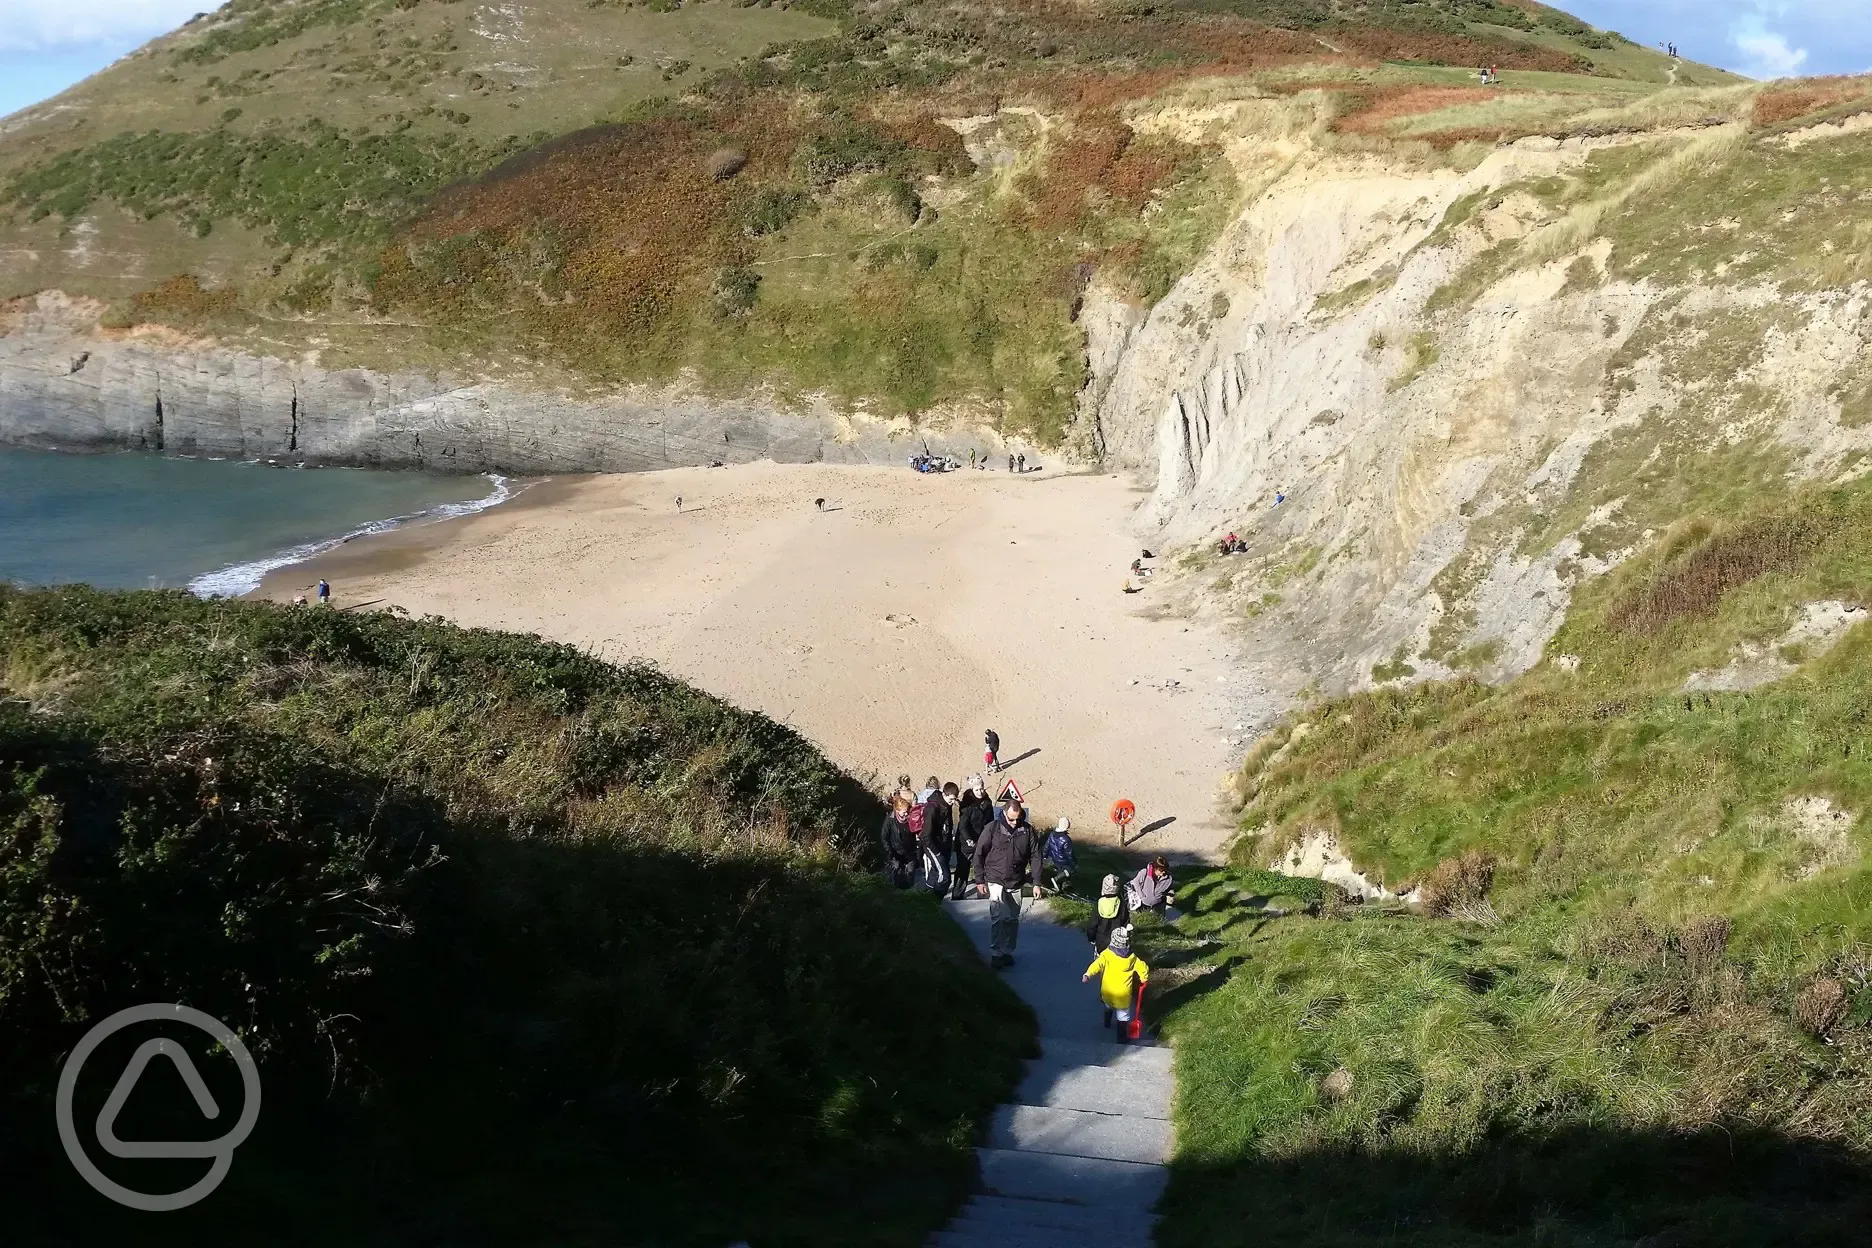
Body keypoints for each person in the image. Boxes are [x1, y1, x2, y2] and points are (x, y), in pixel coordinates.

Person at [973, 797, 1037, 969]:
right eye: (1011, 819)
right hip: (995, 878)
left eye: (1018, 818)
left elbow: (1035, 856)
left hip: (1016, 880)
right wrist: (979, 879)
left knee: (1012, 919)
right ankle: (996, 953)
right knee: (998, 917)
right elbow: (979, 853)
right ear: (1003, 812)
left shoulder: (1027, 831)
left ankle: (1007, 951)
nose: (1015, 822)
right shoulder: (992, 829)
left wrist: (1037, 882)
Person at [1082, 926, 1149, 1042]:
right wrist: (1144, 979)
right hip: (1123, 994)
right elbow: (1143, 968)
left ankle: (1107, 1022)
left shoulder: (1107, 955)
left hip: (1108, 991)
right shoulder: (1132, 958)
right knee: (1123, 1016)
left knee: (1108, 1006)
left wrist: (1088, 974)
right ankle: (1121, 1038)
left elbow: (1097, 964)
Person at [951, 775, 994, 901]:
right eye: (977, 790)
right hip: (966, 842)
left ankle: (983, 893)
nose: (980, 792)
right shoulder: (967, 805)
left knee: (983, 866)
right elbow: (963, 825)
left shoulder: (987, 802)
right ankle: (957, 896)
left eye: (981, 789)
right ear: (972, 790)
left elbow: (989, 821)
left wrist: (988, 836)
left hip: (981, 838)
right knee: (963, 868)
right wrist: (969, 840)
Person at [917, 779, 952, 895]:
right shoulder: (932, 808)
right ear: (944, 794)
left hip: (941, 844)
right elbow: (926, 834)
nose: (952, 802)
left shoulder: (947, 805)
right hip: (931, 844)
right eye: (950, 799)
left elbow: (948, 827)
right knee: (945, 876)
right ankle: (937, 899)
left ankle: (927, 896)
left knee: (935, 871)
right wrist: (936, 851)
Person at [880, 793, 918, 889]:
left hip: (909, 852)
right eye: (904, 812)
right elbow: (884, 836)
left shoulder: (910, 819)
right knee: (896, 873)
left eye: (907, 812)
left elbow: (915, 833)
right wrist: (889, 850)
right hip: (895, 852)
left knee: (910, 874)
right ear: (897, 810)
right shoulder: (890, 819)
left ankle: (910, 895)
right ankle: (896, 894)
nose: (906, 814)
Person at [1086, 874, 1131, 952]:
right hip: (1116, 944)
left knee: (1100, 961)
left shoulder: (1100, 904)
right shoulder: (1122, 905)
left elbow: (1092, 925)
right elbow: (1125, 924)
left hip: (1101, 943)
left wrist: (1091, 938)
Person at [1041, 817, 1076, 897]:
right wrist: (1073, 863)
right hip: (1063, 860)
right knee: (1069, 870)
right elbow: (1069, 853)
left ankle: (1061, 889)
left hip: (1054, 859)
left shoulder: (1052, 834)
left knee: (1061, 872)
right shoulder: (1066, 839)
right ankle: (1056, 880)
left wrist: (1044, 856)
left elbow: (1047, 846)